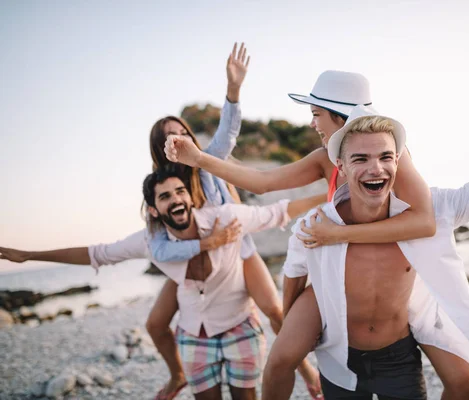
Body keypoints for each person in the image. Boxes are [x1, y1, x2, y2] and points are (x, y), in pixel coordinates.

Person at [260, 48, 469, 399]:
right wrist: (296, 332)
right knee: (278, 361)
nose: (376, 168)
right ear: (341, 169)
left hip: (399, 358)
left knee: (463, 385)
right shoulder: (315, 227)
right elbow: (294, 275)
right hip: (339, 357)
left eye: (385, 157)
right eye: (360, 158)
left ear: (398, 161)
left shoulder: (432, 211)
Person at [0, 42, 322, 400]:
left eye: (182, 131)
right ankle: (178, 376)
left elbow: (229, 136)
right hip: (190, 258)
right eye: (170, 136)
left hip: (237, 245)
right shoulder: (163, 194)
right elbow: (122, 250)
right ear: (160, 150)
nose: (179, 138)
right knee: (155, 323)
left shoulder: (208, 161)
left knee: (273, 309)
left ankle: (305, 368)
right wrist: (29, 255)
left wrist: (233, 90)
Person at [165, 70, 469, 398]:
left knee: (462, 382)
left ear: (340, 116)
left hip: (389, 278)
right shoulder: (324, 158)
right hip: (332, 274)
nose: (312, 123)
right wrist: (198, 159)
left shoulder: (388, 157)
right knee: (280, 359)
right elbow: (262, 181)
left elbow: (423, 223)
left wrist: (339, 235)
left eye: (316, 115)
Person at [1, 165, 324, 400]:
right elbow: (96, 253)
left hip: (240, 326)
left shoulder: (226, 219)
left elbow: (281, 211)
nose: (176, 199)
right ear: (155, 209)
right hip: (194, 337)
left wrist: (329, 192)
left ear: (191, 198)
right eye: (165, 196)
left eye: (180, 191)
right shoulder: (151, 242)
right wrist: (29, 255)